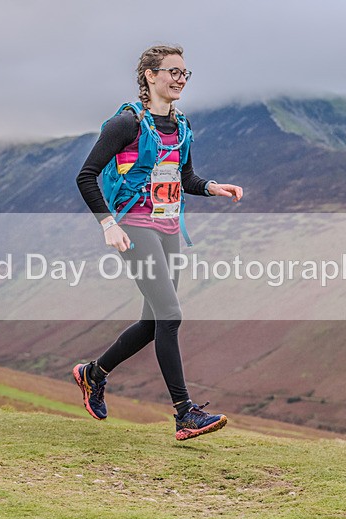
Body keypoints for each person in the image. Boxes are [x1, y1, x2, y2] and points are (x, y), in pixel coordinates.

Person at [73, 44, 244, 440]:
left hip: (169, 229)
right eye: (172, 71)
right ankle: (185, 412)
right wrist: (107, 224)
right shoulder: (126, 124)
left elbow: (184, 178)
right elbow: (87, 175)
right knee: (170, 315)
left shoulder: (181, 126)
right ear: (150, 75)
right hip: (134, 226)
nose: (180, 79)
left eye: (185, 73)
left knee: (154, 322)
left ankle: (93, 373)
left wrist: (213, 188)